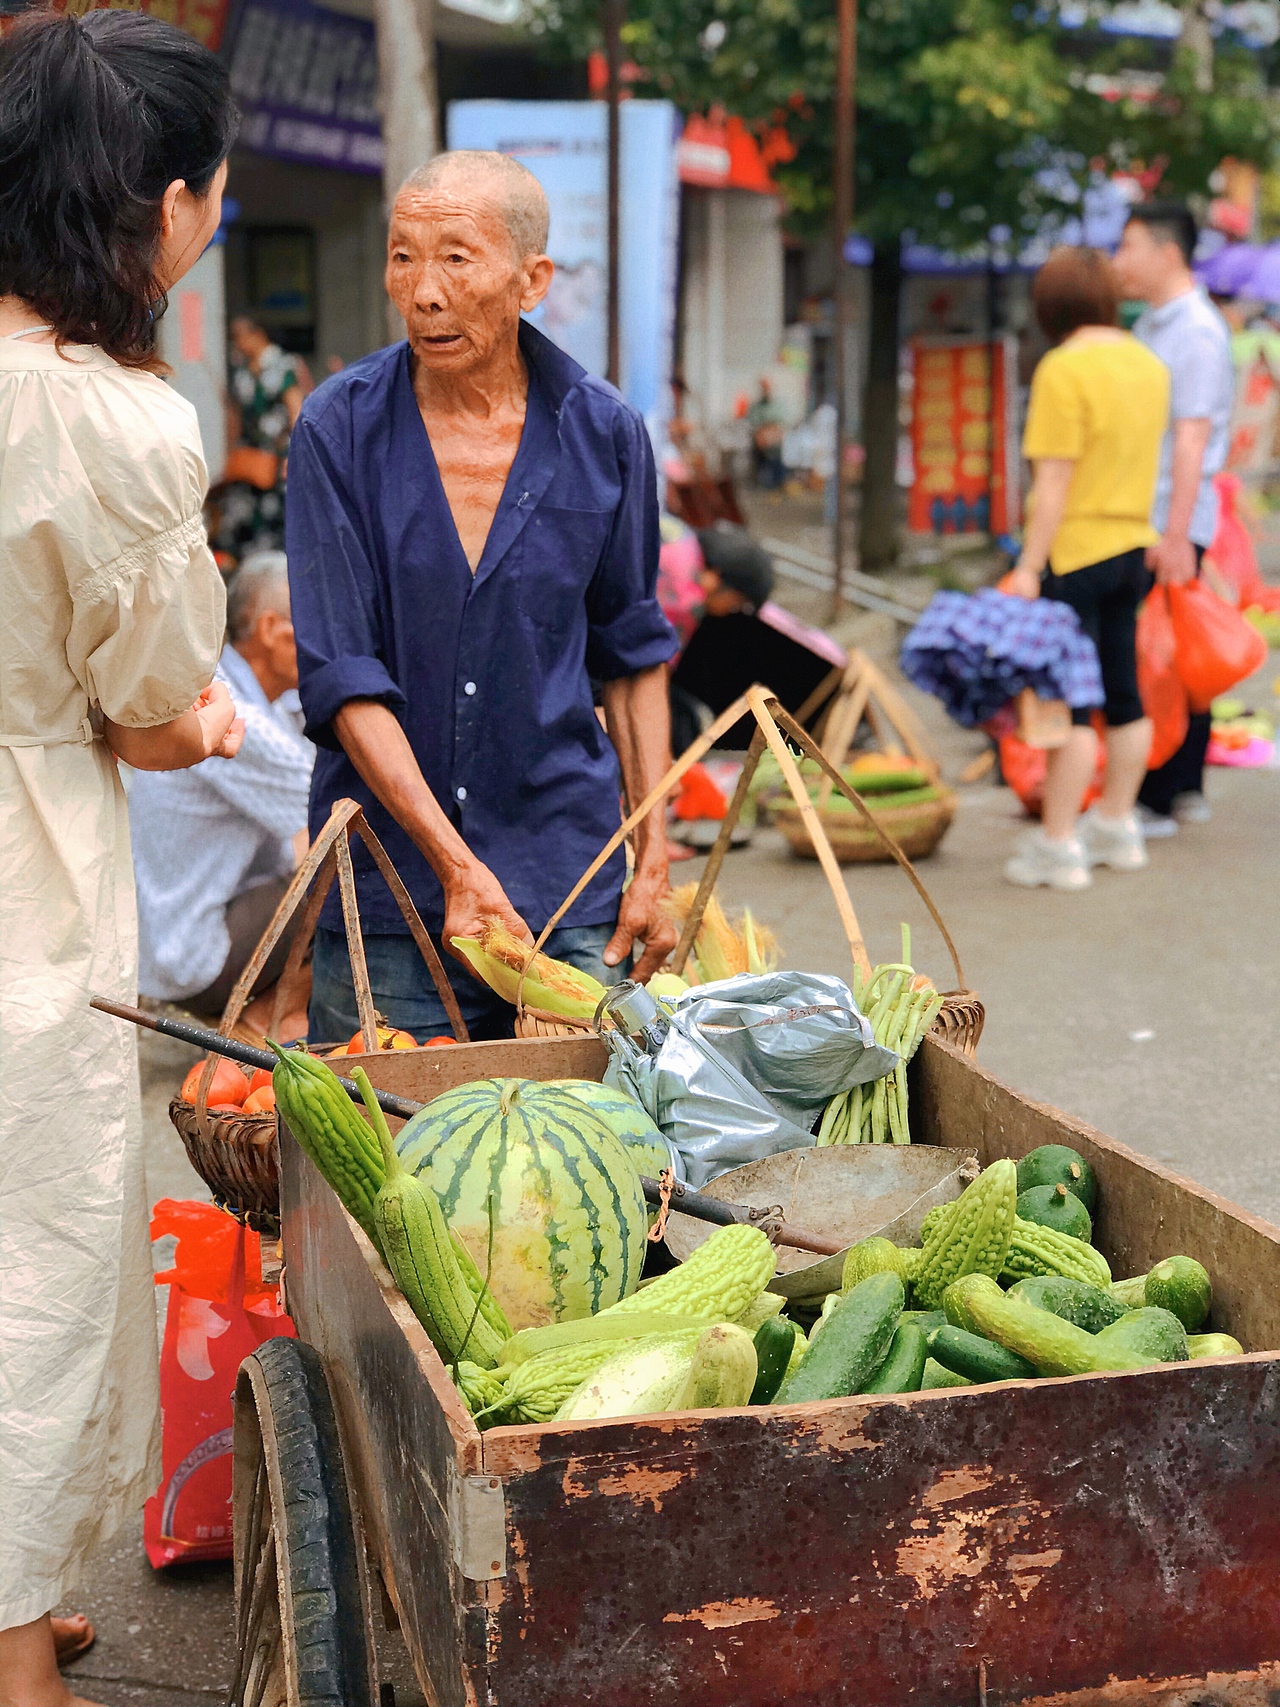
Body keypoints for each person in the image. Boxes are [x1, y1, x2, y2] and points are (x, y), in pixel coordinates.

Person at [0, 14, 241, 1706]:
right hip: (24, 885)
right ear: (154, 206)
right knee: (34, 1269)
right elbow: (153, 717)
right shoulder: (117, 426)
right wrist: (218, 727)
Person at [287, 150, 678, 1043]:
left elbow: (630, 651)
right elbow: (345, 678)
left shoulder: (604, 433)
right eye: (402, 257)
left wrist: (652, 853)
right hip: (392, 894)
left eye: (456, 258)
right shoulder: (337, 431)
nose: (423, 292)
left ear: (531, 279)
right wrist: (455, 865)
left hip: (569, 885)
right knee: (390, 1170)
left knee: (597, 1163)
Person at [1004, 246, 1170, 891]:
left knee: (1068, 706)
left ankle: (1059, 843)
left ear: (1052, 305)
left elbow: (1053, 484)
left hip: (1074, 554)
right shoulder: (1148, 364)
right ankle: (1117, 826)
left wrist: (1027, 567)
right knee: (1124, 694)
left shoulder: (1062, 368)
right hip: (1134, 547)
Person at [129, 553, 314, 1038]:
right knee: (352, 864)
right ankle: (260, 1026)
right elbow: (336, 807)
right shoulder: (229, 707)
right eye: (320, 624)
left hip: (165, 942)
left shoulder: (234, 693)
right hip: (189, 957)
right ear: (273, 630)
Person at [1114, 201, 1235, 833]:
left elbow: (1191, 439)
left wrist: (1178, 534)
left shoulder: (1195, 331)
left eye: (1128, 245)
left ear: (1167, 252)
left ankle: (1166, 792)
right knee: (1167, 653)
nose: (1119, 260)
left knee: (1165, 659)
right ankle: (1179, 786)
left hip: (1171, 517)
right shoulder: (1154, 325)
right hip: (1151, 513)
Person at [657, 520, 777, 756]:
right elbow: (654, 672)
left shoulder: (683, 535)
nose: (729, 611)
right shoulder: (684, 597)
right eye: (736, 603)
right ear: (716, 577)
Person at [746, 376, 786, 489]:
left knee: (776, 460)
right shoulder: (756, 406)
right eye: (764, 388)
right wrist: (762, 436)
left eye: (768, 387)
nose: (766, 390)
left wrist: (772, 434)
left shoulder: (778, 405)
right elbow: (753, 423)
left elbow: (781, 424)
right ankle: (760, 482)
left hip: (775, 440)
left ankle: (777, 483)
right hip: (761, 440)